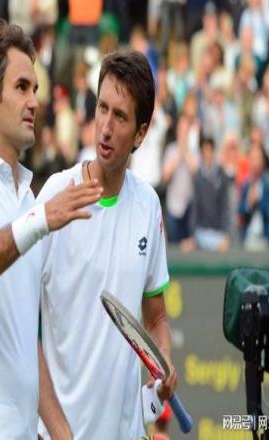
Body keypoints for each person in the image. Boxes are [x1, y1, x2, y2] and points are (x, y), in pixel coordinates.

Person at [0, 22, 102, 439]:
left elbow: (25, 343)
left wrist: (63, 434)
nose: (33, 102)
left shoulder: (27, 200)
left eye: (36, 89)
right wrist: (41, 219)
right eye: (22, 87)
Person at [36, 50, 177, 440]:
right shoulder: (55, 195)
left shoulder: (148, 205)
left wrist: (164, 359)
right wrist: (59, 432)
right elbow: (20, 329)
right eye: (102, 109)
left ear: (141, 133)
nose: (106, 128)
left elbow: (156, 318)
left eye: (120, 116)